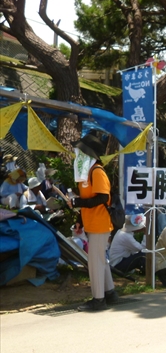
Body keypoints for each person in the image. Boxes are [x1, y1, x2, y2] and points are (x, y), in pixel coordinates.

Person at [68, 133, 118, 312]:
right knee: (100, 259)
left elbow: (103, 197)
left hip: (100, 223)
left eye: (80, 151)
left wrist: (78, 203)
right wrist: (80, 220)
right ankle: (110, 293)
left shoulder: (97, 171)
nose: (77, 154)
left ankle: (99, 300)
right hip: (93, 223)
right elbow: (86, 200)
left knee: (95, 261)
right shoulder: (86, 173)